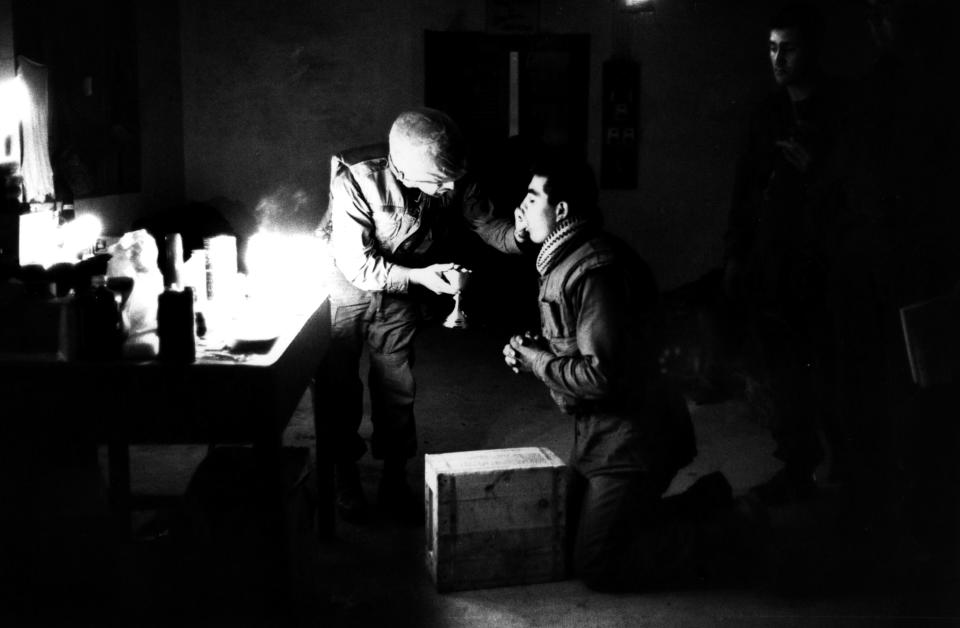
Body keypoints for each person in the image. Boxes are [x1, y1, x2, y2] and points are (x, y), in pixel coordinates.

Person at [502, 153, 756, 591]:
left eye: (531, 197)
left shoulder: (595, 269)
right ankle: (706, 501)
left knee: (599, 563)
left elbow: (603, 376)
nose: (520, 208)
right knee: (566, 537)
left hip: (635, 439)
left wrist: (537, 361)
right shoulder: (564, 258)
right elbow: (581, 344)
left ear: (561, 211)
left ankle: (736, 528)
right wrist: (535, 350)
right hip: (602, 435)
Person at [317, 108, 526, 523]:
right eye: (439, 181)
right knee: (338, 383)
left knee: (395, 383)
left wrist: (521, 234)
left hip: (404, 287)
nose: (451, 188)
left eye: (454, 178)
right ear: (404, 169)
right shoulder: (358, 178)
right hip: (345, 284)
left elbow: (486, 224)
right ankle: (343, 474)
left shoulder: (453, 172)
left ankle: (394, 478)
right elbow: (359, 267)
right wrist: (423, 277)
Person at [722, 3, 849, 504]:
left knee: (826, 368)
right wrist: (736, 254)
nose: (778, 59)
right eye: (773, 48)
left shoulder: (841, 110)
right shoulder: (767, 112)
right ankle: (797, 465)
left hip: (823, 265)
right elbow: (744, 190)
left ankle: (843, 466)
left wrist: (819, 174)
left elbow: (863, 194)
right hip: (770, 263)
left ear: (812, 50)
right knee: (777, 369)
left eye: (789, 48)